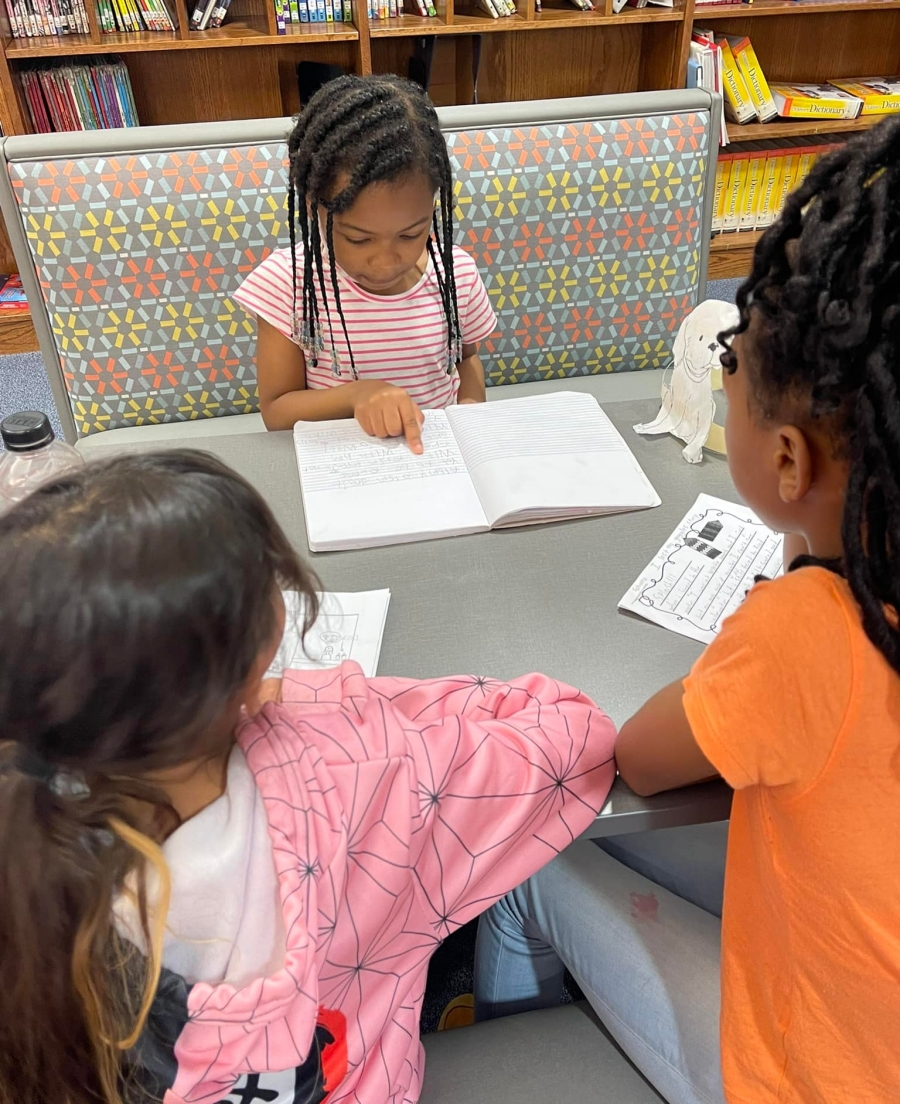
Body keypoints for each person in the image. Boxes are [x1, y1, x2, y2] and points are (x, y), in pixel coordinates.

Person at [474, 119, 900, 1103]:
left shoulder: (810, 635)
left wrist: (789, 586)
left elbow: (642, 755)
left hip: (809, 1079)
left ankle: (512, 1059)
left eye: (734, 365)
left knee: (532, 861)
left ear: (790, 462)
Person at [0, 450, 616, 1104]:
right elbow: (577, 737)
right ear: (259, 640)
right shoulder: (354, 771)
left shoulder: (26, 830)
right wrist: (328, 699)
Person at [234, 74, 497, 452]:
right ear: (313, 206)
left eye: (411, 234)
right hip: (342, 467)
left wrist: (472, 411)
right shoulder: (288, 284)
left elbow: (466, 361)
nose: (385, 261)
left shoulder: (455, 274)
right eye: (358, 238)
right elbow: (277, 411)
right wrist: (357, 396)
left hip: (439, 461)